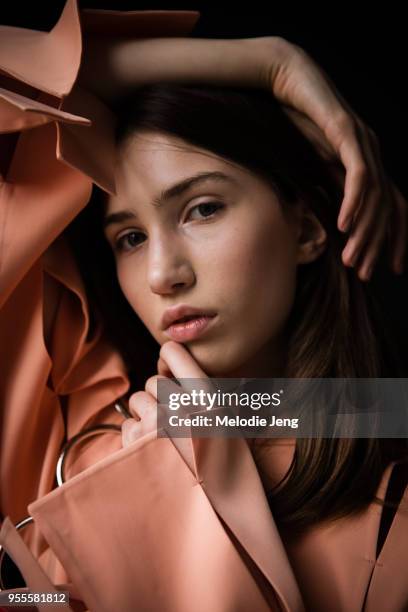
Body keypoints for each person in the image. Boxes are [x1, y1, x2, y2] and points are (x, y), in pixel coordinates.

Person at [0, 1, 406, 610]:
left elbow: (367, 411)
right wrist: (268, 63)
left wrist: (216, 447)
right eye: (130, 238)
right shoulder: (82, 429)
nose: (163, 274)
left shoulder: (393, 501)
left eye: (203, 209)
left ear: (306, 228)